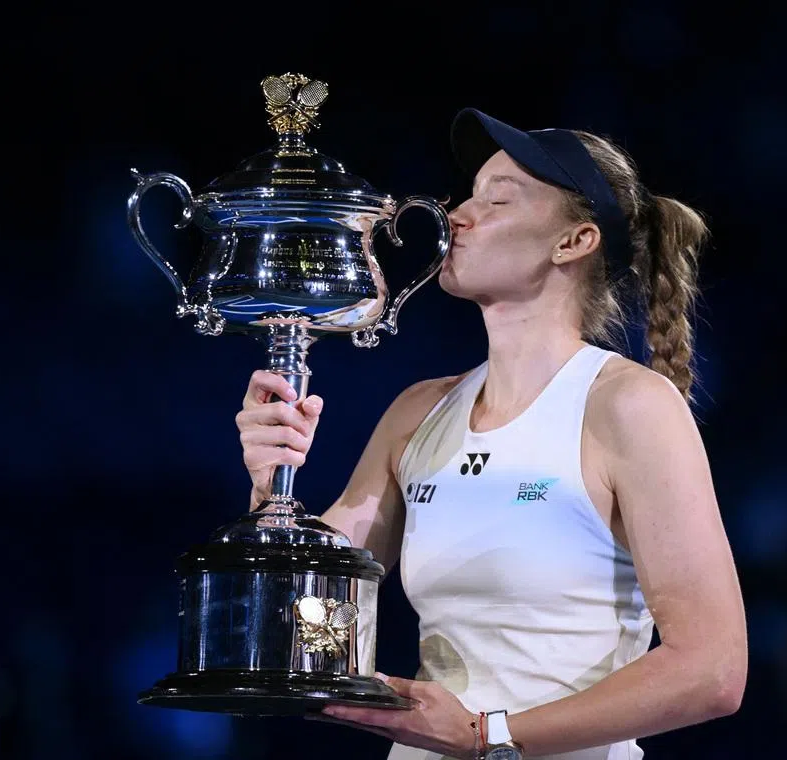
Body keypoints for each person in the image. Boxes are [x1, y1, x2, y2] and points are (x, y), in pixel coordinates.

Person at [236, 108, 747, 760]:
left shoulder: (629, 406)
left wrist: (488, 737)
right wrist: (269, 492)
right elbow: (315, 637)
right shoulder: (417, 413)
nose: (458, 217)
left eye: (497, 200)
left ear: (573, 242)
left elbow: (713, 669)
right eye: (467, 196)